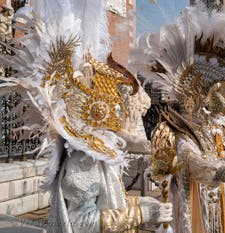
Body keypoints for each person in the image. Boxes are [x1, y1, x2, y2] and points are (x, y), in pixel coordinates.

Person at [1, 1, 172, 232]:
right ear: (99, 112)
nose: (123, 111)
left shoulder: (97, 152)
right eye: (117, 105)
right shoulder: (83, 159)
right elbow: (82, 223)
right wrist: (141, 213)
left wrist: (140, 203)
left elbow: (110, 201)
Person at [129, 4, 225, 232]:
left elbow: (215, 153)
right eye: (210, 92)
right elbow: (192, 160)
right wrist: (224, 172)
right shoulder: (182, 130)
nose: (215, 99)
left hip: (217, 198)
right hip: (198, 200)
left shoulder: (211, 125)